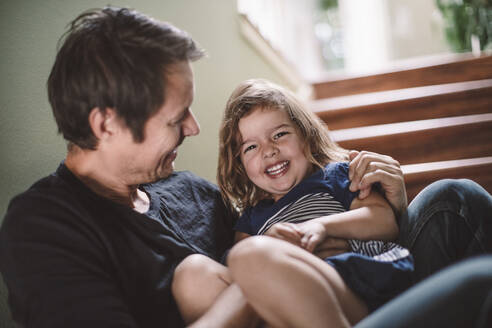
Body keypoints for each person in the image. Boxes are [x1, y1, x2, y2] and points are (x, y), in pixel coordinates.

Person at [0, 5, 490, 328]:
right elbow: (258, 265)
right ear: (105, 123)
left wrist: (392, 211)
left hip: (348, 294)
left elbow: (301, 241)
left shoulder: (194, 193)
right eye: (176, 117)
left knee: (453, 200)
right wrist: (258, 279)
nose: (193, 129)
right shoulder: (45, 226)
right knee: (477, 282)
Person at [172, 79, 414, 327]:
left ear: (305, 135)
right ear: (240, 166)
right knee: (192, 274)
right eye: (251, 147)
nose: (269, 150)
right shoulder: (253, 217)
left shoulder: (335, 175)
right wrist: (272, 249)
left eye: (279, 134)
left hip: (353, 289)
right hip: (283, 306)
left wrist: (320, 227)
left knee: (251, 254)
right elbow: (241, 277)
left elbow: (383, 219)